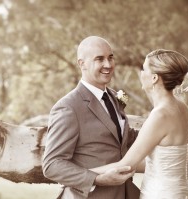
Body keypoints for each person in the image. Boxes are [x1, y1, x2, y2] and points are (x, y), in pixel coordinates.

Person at [42, 36, 140, 199]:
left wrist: (169, 130)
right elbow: (52, 165)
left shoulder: (115, 97)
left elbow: (125, 137)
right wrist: (98, 179)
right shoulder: (68, 107)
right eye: (99, 59)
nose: (108, 65)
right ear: (82, 64)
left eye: (110, 57)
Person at [91, 49, 188, 198]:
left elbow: (126, 165)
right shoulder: (181, 107)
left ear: (154, 78)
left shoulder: (159, 115)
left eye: (144, 69)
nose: (141, 73)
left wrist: (79, 175)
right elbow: (159, 161)